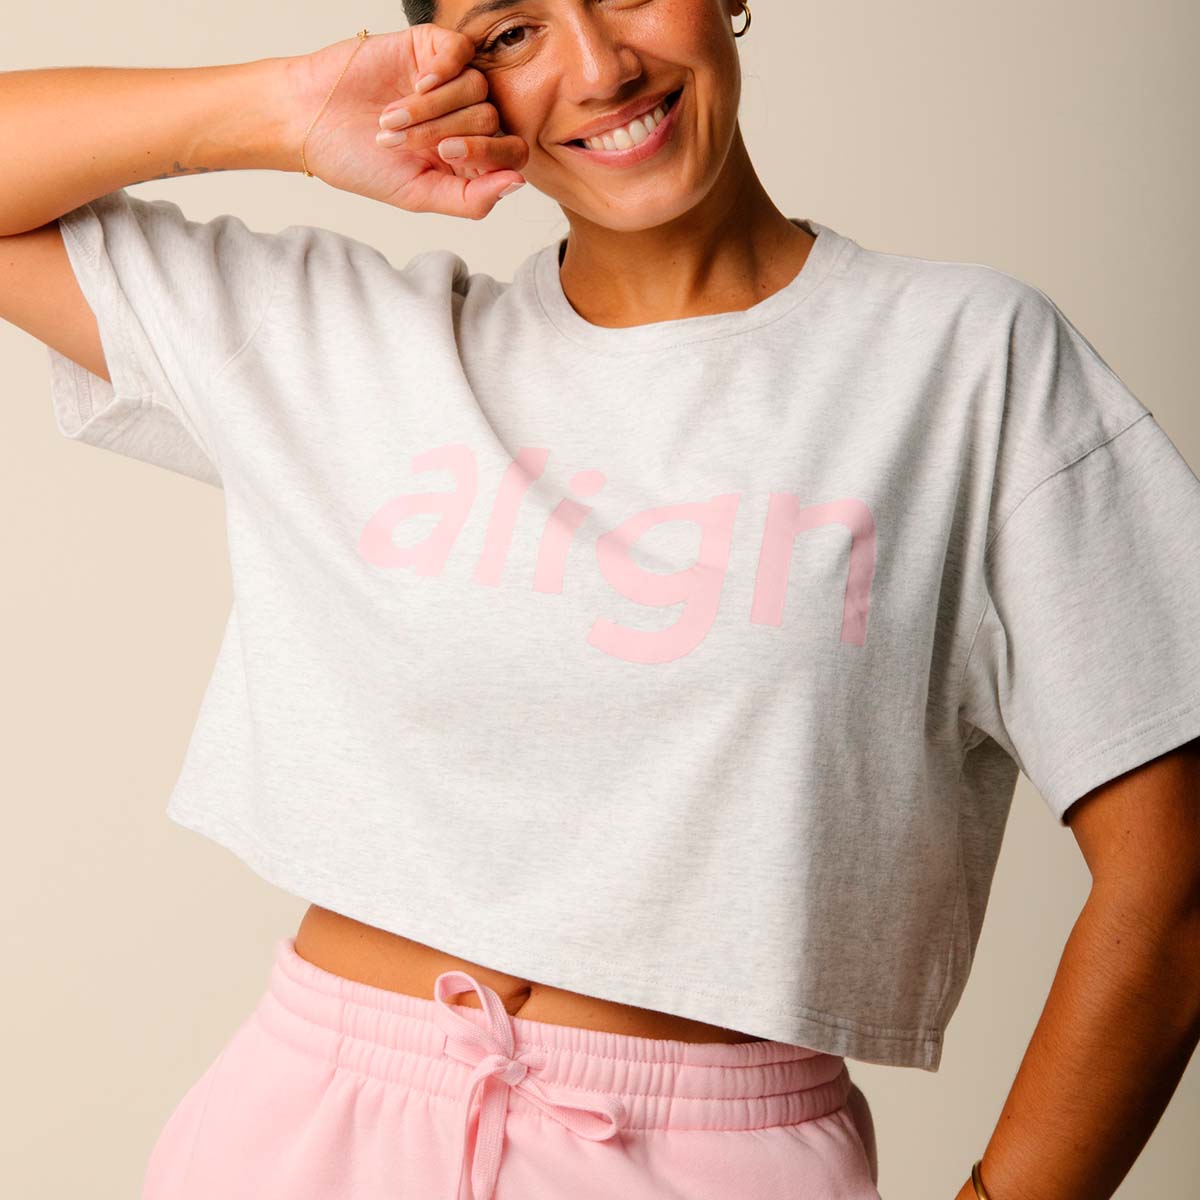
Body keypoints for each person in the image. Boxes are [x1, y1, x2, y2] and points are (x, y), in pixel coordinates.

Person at [3, 3, 1199, 1199]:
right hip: (301, 1136)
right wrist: (290, 112)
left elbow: (1176, 869)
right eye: (512, 32)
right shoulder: (350, 345)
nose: (600, 66)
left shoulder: (967, 361)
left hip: (712, 1161)